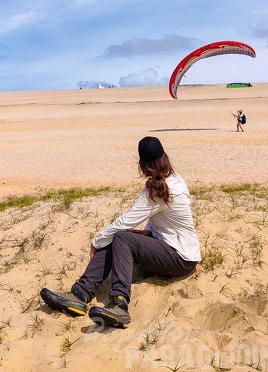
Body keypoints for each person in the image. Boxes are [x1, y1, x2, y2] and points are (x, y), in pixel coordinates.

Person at [40, 136, 201, 329]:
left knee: (120, 236)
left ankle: (119, 303)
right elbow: (158, 215)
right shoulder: (173, 180)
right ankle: (79, 295)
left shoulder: (159, 188)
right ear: (165, 157)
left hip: (181, 258)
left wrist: (96, 241)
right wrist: (149, 232)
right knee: (119, 237)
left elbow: (128, 219)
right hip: (176, 253)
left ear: (142, 165)